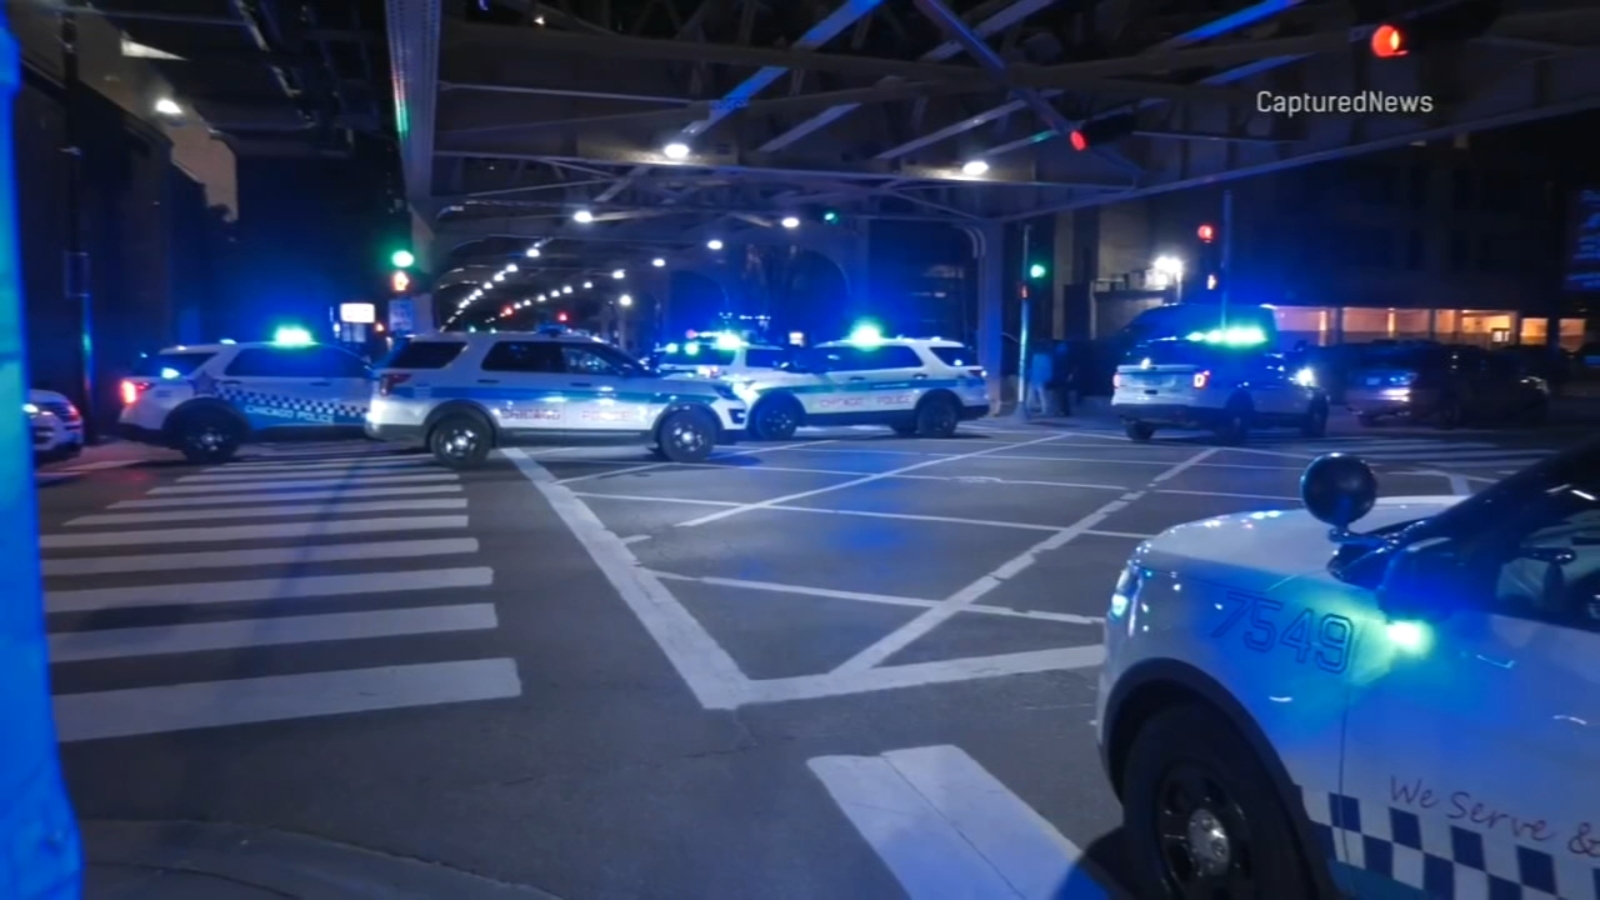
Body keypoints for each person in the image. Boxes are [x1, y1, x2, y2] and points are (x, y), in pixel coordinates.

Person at [1027, 342, 1054, 417]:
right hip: (1040, 378)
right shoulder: (1046, 358)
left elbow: (1032, 367)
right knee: (1042, 395)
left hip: (1033, 377)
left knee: (1030, 393)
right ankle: (1044, 409)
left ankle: (1028, 407)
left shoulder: (1035, 357)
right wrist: (1048, 378)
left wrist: (1029, 374)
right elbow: (1048, 369)